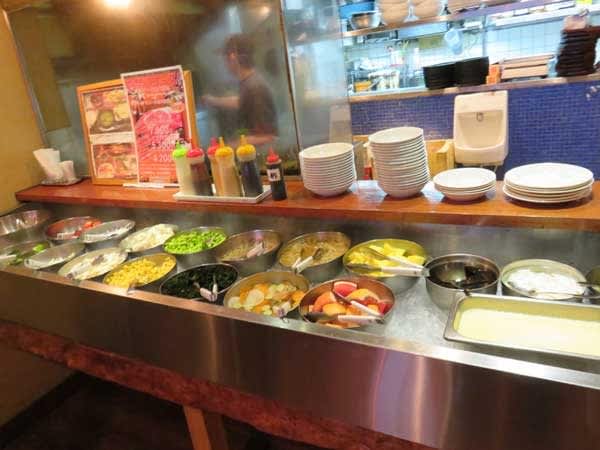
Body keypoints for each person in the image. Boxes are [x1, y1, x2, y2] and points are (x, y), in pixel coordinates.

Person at [202, 34, 278, 147]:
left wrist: (226, 147)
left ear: (233, 57)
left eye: (225, 59)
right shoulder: (249, 82)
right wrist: (213, 100)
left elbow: (268, 137)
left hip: (261, 154)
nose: (225, 64)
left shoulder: (255, 88)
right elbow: (242, 101)